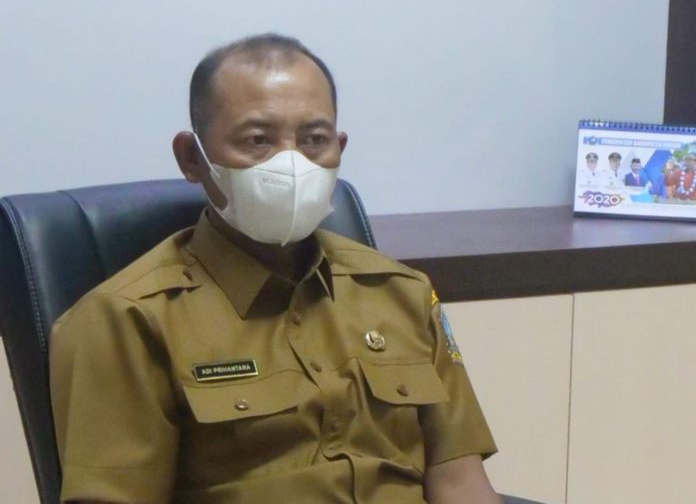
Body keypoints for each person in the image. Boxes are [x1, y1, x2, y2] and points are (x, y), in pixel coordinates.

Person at [49, 34, 501, 504]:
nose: (292, 164)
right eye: (258, 141)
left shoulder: (402, 293)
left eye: (314, 140)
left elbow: (461, 484)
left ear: (339, 149)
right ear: (192, 158)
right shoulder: (127, 319)